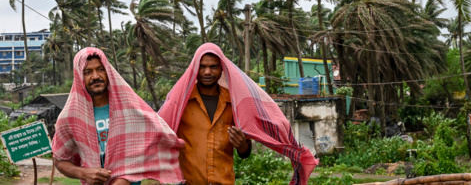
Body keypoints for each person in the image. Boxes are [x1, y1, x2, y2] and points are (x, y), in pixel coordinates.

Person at [160, 43, 318, 185]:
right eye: (202, 66)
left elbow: (245, 152)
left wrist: (242, 145)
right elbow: (161, 134)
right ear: (195, 68)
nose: (207, 72)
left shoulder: (235, 102)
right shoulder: (180, 103)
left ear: (222, 68)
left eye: (213, 67)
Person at [52, 48, 184, 185]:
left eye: (100, 69)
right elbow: (60, 160)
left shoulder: (130, 108)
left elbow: (156, 138)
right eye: (87, 72)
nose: (95, 76)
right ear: (79, 76)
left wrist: (125, 177)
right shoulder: (71, 117)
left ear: (108, 71)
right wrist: (84, 173)